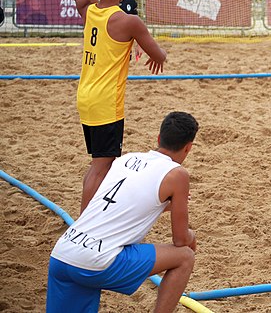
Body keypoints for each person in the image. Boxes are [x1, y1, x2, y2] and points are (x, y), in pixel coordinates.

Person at [47, 112, 199, 313]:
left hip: (63, 253)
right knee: (185, 256)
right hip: (97, 261)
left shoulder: (126, 158)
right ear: (188, 147)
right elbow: (181, 240)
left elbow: (123, 201)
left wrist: (163, 205)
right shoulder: (177, 174)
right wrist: (192, 236)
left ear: (159, 138)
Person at [63, 0, 167, 213]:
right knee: (101, 166)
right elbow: (160, 56)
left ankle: (88, 218)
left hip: (85, 96)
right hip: (106, 102)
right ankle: (84, 225)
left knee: (99, 163)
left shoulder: (88, 9)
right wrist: (135, 40)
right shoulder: (129, 21)